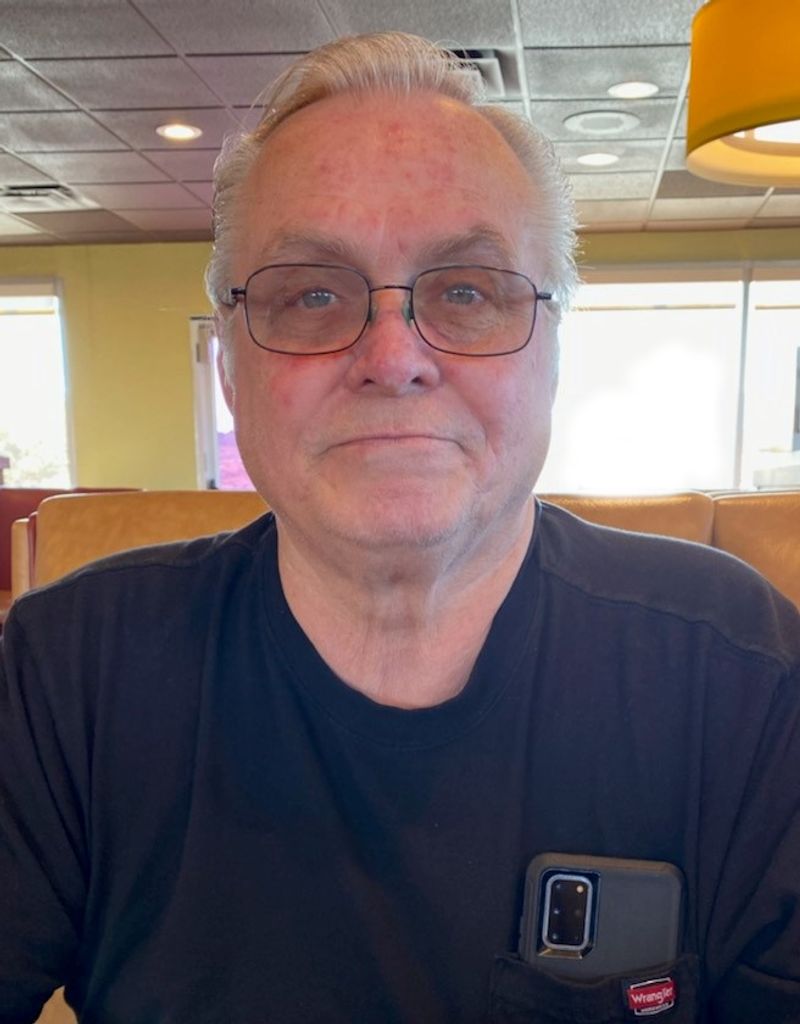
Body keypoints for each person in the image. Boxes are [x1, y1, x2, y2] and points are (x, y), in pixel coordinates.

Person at [1, 31, 799, 1024]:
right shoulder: (69, 670)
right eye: (310, 294)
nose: (392, 356)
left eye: (465, 291)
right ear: (228, 369)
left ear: (553, 353)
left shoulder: (742, 676)